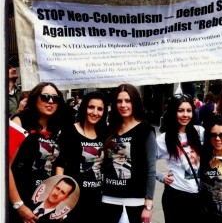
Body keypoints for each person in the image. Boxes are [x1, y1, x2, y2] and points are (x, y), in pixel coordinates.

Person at [9, 82, 66, 223]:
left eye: (55, 98)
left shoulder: (58, 128)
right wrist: (19, 205)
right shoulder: (19, 122)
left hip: (45, 204)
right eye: (45, 97)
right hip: (21, 202)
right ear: (35, 99)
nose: (50, 101)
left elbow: (58, 166)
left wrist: (59, 203)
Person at [101, 83, 157, 223]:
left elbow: (151, 169)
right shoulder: (109, 130)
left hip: (135, 202)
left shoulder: (146, 130)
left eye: (128, 100)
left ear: (135, 102)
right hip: (108, 199)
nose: (123, 105)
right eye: (119, 101)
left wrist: (148, 205)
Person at [55, 91, 108, 222]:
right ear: (84, 107)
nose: (95, 113)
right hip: (73, 199)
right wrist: (59, 201)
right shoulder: (70, 130)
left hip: (97, 199)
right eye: (91, 107)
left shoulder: (105, 133)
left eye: (100, 109)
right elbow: (60, 165)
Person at [156, 93, 205, 223]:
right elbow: (145, 162)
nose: (185, 115)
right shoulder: (164, 139)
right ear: (173, 112)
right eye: (180, 110)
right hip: (175, 195)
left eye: (189, 110)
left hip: (198, 195)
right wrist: (161, 177)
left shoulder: (200, 132)